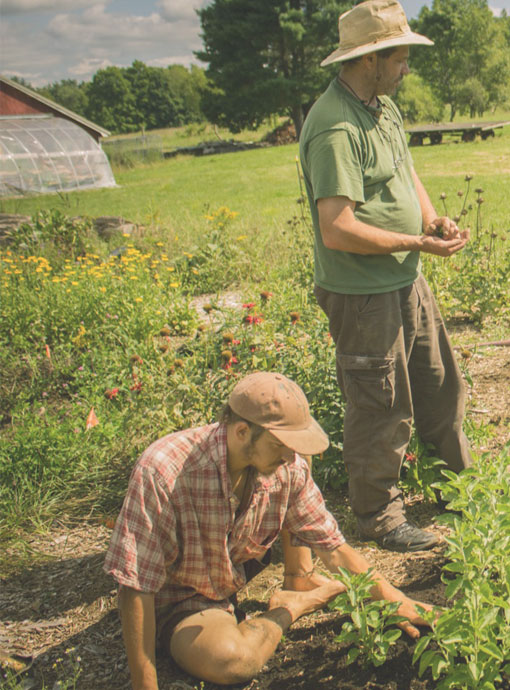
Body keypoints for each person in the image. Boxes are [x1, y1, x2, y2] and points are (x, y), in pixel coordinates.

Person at [104, 372, 432, 690]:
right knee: (235, 662)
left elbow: (333, 547)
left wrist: (398, 601)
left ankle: (298, 581)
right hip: (182, 597)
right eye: (280, 445)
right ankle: (293, 606)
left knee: (295, 472)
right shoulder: (163, 472)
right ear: (242, 432)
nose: (290, 456)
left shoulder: (285, 465)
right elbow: (136, 586)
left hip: (226, 575)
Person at [299, 0, 472, 553]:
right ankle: (377, 515)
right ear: (370, 58)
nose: (407, 68)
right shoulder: (333, 126)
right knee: (381, 404)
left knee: (439, 385)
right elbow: (338, 228)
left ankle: (458, 487)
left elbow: (406, 171)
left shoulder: (382, 107)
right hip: (362, 294)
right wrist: (418, 242)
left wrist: (432, 220)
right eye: (400, 58)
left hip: (405, 278)